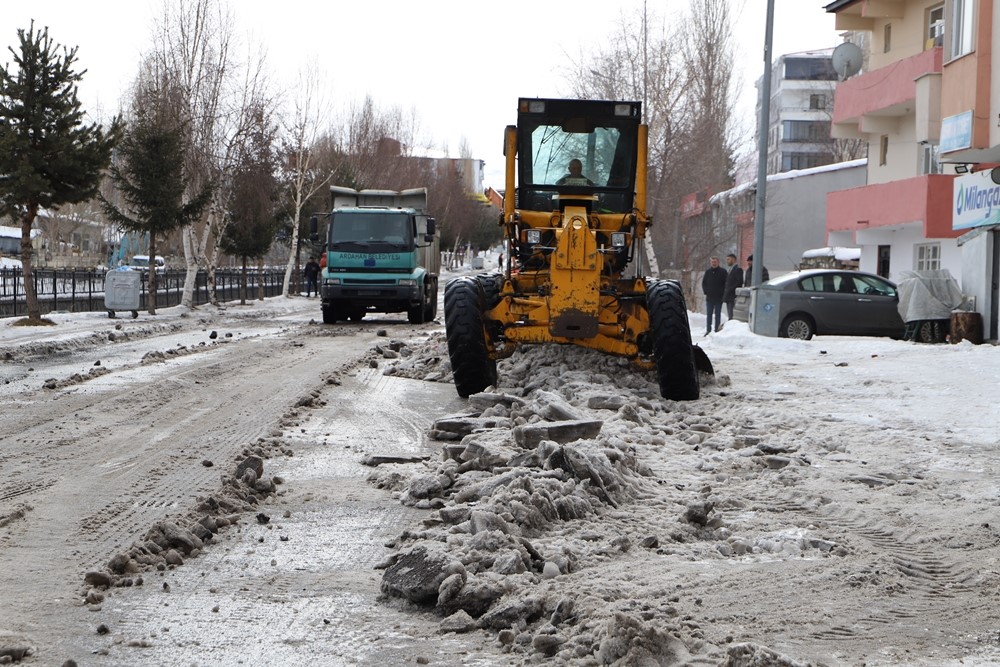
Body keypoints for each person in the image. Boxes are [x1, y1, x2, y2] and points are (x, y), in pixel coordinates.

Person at [702, 256, 727, 335]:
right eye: (712, 262)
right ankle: (708, 330)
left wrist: (723, 293)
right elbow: (704, 283)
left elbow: (726, 283)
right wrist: (706, 292)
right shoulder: (708, 272)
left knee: (717, 314)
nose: (713, 263)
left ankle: (717, 330)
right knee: (709, 314)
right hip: (709, 298)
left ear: (718, 262)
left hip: (719, 298)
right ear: (710, 263)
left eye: (715, 262)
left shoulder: (723, 272)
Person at [723, 252, 743, 320]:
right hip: (728, 296)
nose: (727, 261)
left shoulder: (738, 269)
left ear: (733, 259)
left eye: (728, 259)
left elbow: (739, 282)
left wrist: (730, 289)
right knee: (729, 314)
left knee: (732, 315)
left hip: (733, 296)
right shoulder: (730, 269)